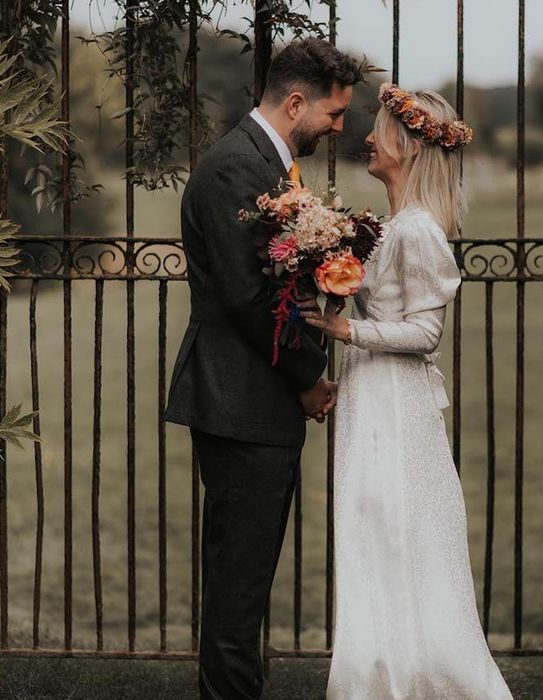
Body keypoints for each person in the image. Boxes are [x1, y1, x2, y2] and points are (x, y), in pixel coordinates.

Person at [164, 38, 365, 699]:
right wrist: (309, 378)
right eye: (334, 116)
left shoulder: (266, 167)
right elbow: (250, 300)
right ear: (297, 101)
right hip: (240, 400)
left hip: (253, 403)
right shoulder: (234, 170)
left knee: (246, 577)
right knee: (238, 584)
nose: (338, 129)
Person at [302, 83, 514, 699]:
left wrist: (346, 327)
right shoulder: (390, 225)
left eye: (379, 130)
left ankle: (409, 676)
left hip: (396, 401)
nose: (367, 137)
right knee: (372, 528)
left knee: (395, 526)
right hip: (370, 390)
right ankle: (379, 668)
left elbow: (424, 332)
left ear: (410, 146)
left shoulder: (419, 230)